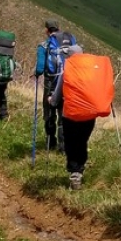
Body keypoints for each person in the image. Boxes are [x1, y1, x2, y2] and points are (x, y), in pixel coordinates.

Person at [46, 43, 93, 190]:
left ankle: (75, 174)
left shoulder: (66, 72)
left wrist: (50, 100)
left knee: (71, 143)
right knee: (82, 141)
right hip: (89, 115)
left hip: (71, 115)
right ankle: (81, 167)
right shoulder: (93, 71)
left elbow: (56, 98)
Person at [32, 20, 66, 150]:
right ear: (59, 28)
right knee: (63, 114)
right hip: (65, 83)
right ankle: (62, 146)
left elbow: (40, 68)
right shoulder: (67, 44)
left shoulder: (43, 46)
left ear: (47, 30)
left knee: (49, 112)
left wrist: (36, 73)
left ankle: (50, 141)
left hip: (50, 83)